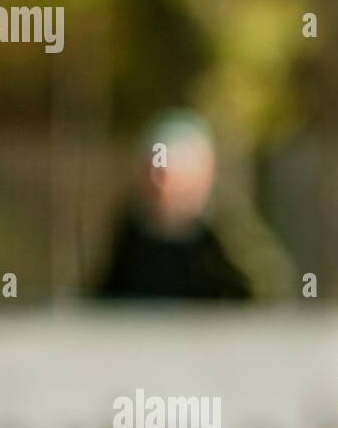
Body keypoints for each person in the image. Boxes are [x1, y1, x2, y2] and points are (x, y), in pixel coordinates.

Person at [96, 110, 251, 300]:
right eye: (150, 172)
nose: (158, 183)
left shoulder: (229, 240)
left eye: (166, 175)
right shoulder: (130, 234)